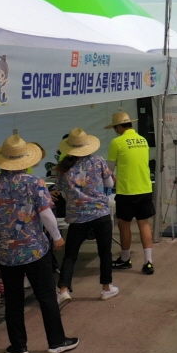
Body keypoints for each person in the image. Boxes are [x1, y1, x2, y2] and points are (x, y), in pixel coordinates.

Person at [0, 133, 79, 353]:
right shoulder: (34, 183)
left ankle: (18, 346)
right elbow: (46, 214)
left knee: (13, 298)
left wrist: (0, 228)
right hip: (35, 249)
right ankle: (56, 341)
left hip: (6, 252)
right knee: (45, 296)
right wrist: (56, 237)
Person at [54, 128, 119, 304]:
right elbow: (110, 183)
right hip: (100, 213)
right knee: (105, 253)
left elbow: (61, 191)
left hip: (77, 217)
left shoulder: (63, 168)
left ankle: (64, 289)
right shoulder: (98, 161)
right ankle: (106, 288)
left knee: (70, 255)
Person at [105, 111, 156, 275]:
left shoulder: (117, 142)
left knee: (124, 224)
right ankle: (148, 262)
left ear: (119, 127)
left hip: (126, 190)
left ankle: (125, 258)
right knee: (144, 224)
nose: (116, 130)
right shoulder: (143, 140)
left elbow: (109, 169)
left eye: (115, 128)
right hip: (145, 187)